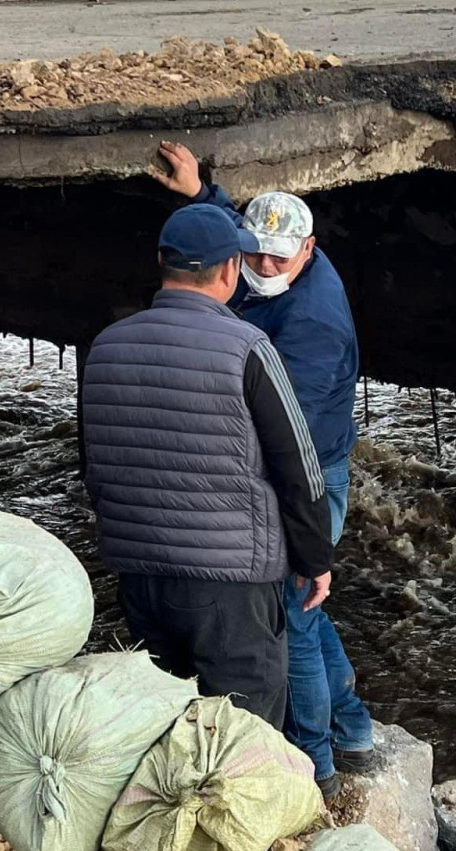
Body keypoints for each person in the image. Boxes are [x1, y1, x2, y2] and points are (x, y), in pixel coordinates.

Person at [151, 142, 376, 799]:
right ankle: (354, 729)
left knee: (289, 610)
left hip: (312, 467)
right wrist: (201, 192)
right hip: (308, 457)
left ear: (310, 250)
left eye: (278, 258)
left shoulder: (312, 324)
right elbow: (238, 228)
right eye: (252, 255)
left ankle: (316, 766)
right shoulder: (281, 266)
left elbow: (286, 439)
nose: (262, 267)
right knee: (306, 608)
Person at [81, 202, 334, 730]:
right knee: (243, 732)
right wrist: (315, 559)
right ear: (229, 269)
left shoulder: (105, 347)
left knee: (164, 720)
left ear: (161, 261)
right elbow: (299, 468)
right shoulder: (248, 348)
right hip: (230, 586)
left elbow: (94, 462)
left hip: (139, 577)